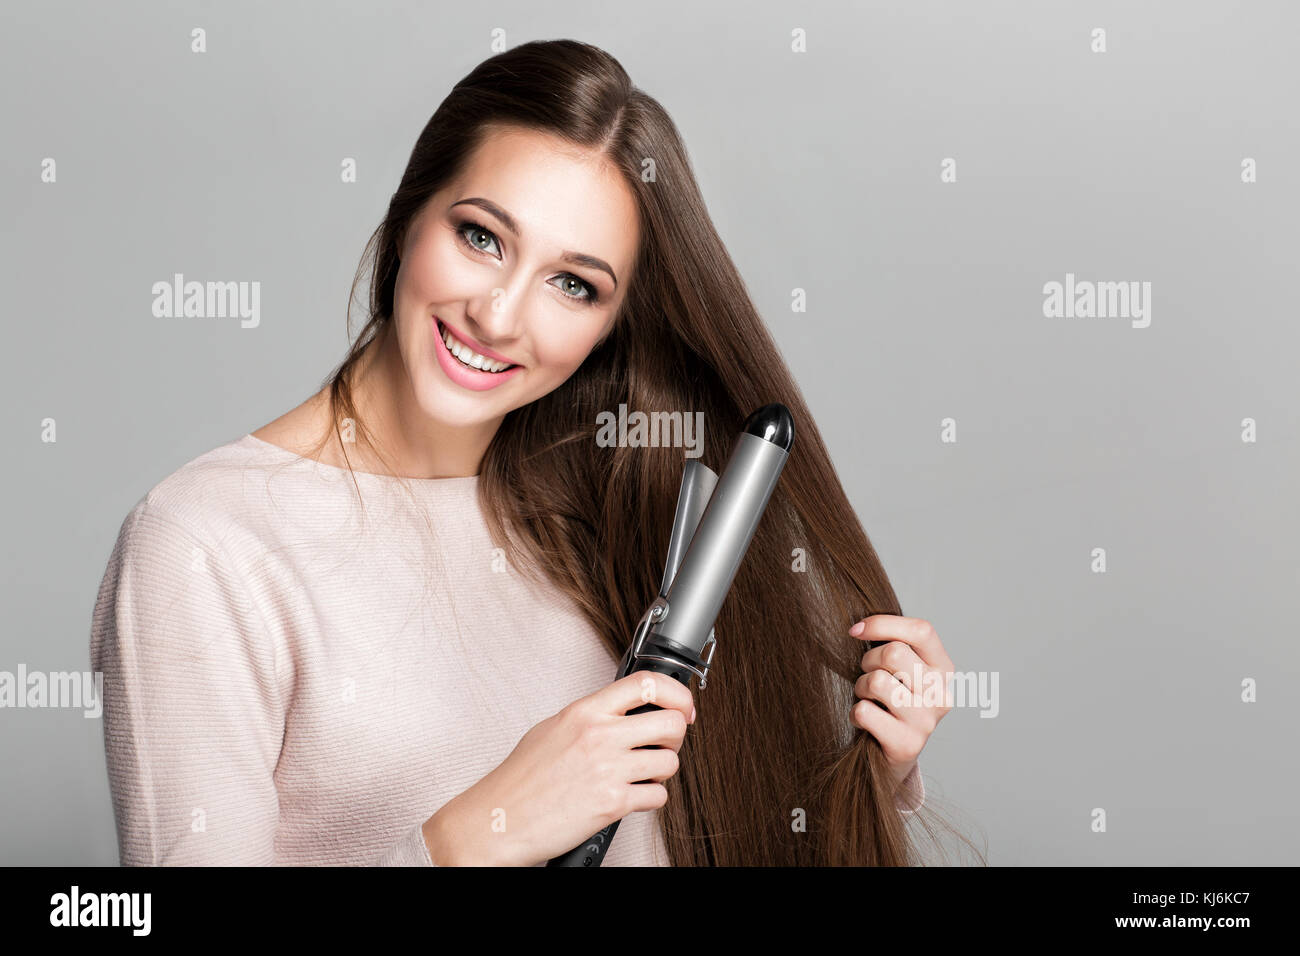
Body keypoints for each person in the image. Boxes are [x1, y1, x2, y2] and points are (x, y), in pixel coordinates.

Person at [91, 39, 962, 866]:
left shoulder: (604, 514)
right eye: (481, 237)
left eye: (572, 285)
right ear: (407, 219)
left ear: (609, 328)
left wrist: (874, 766)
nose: (500, 317)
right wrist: (475, 833)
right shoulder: (203, 545)